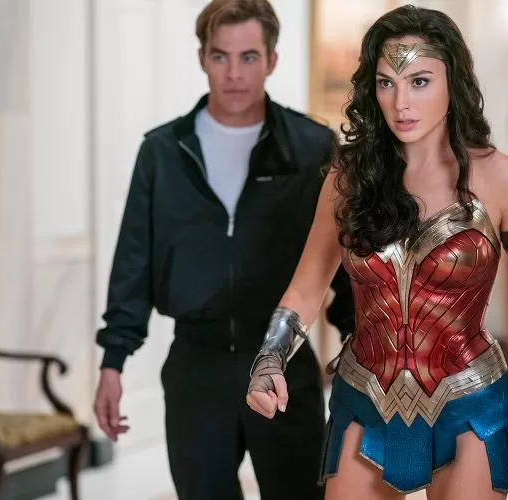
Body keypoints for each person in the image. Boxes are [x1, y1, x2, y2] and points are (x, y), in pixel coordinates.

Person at [246, 5, 508, 500]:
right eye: (386, 83)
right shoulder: (347, 180)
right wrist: (269, 359)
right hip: (364, 395)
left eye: (420, 82)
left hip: (471, 402)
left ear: (454, 82)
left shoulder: (502, 178)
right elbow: (306, 288)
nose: (401, 103)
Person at [92, 1, 355, 499]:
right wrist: (113, 361)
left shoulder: (312, 148)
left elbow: (342, 262)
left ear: (272, 60)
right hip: (196, 370)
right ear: (202, 58)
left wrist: (359, 348)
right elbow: (133, 260)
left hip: (283, 364)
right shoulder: (162, 152)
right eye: (220, 56)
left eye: (249, 57)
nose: (234, 73)